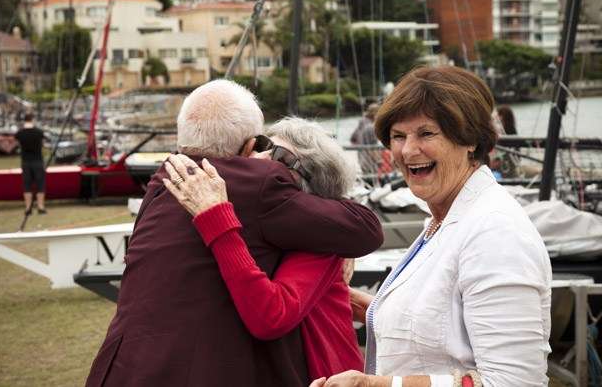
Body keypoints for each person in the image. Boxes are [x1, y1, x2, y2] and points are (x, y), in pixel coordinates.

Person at [85, 80, 383, 387]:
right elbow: (366, 229)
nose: (268, 162)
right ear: (250, 146)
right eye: (266, 147)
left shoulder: (164, 180)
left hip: (119, 366)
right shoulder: (257, 183)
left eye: (278, 154)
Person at [311, 66, 551, 387]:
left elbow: (513, 382)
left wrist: (375, 385)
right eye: (398, 136)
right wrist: (346, 300)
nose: (408, 150)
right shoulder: (445, 220)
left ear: (469, 140)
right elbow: (441, 321)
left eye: (426, 133)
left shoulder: (496, 233)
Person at [162, 117, 364, 380]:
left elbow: (271, 316)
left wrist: (216, 218)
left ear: (310, 181)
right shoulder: (273, 225)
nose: (259, 156)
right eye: (264, 145)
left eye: (279, 155)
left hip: (331, 378)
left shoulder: (319, 242)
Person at [15, 113, 46, 214]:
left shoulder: (20, 133)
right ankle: (40, 206)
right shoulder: (39, 132)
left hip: (25, 161)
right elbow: (43, 144)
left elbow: (17, 145)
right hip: (38, 161)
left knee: (27, 184)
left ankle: (28, 207)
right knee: (40, 183)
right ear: (33, 120)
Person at [351, 103, 383, 182]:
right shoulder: (372, 127)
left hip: (361, 158)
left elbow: (352, 139)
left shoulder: (360, 124)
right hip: (370, 161)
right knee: (374, 182)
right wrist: (379, 160)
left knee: (366, 181)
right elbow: (373, 147)